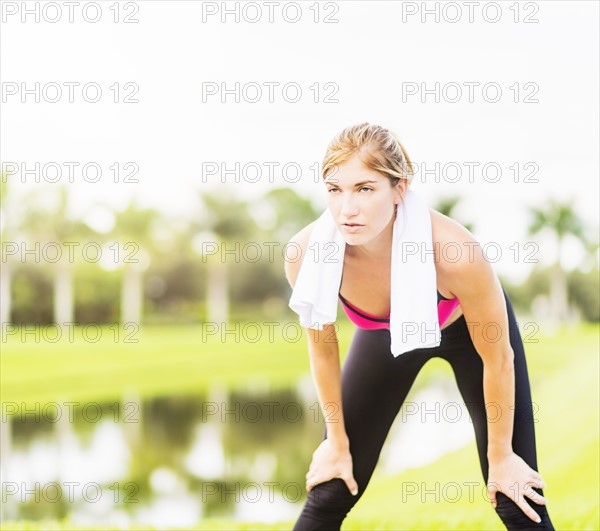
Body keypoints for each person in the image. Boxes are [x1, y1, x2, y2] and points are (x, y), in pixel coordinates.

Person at [284, 123, 555, 530]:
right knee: (330, 487)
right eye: (335, 189)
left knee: (514, 495)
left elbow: (498, 357)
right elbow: (323, 349)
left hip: (471, 338)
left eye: (365, 188)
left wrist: (501, 456)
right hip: (386, 336)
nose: (347, 208)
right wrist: (335, 443)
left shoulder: (454, 252)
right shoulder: (308, 255)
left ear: (400, 189)